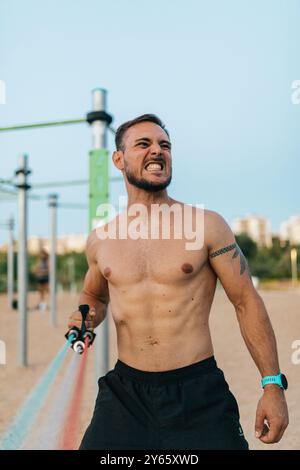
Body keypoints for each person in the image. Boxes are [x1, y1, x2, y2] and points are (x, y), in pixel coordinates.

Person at [68, 114, 289, 450]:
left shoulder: (206, 226)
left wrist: (272, 386)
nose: (157, 151)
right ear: (118, 159)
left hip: (198, 391)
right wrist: (85, 316)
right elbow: (93, 296)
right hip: (126, 392)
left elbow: (246, 301)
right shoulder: (102, 239)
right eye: (144, 144)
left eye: (165, 145)